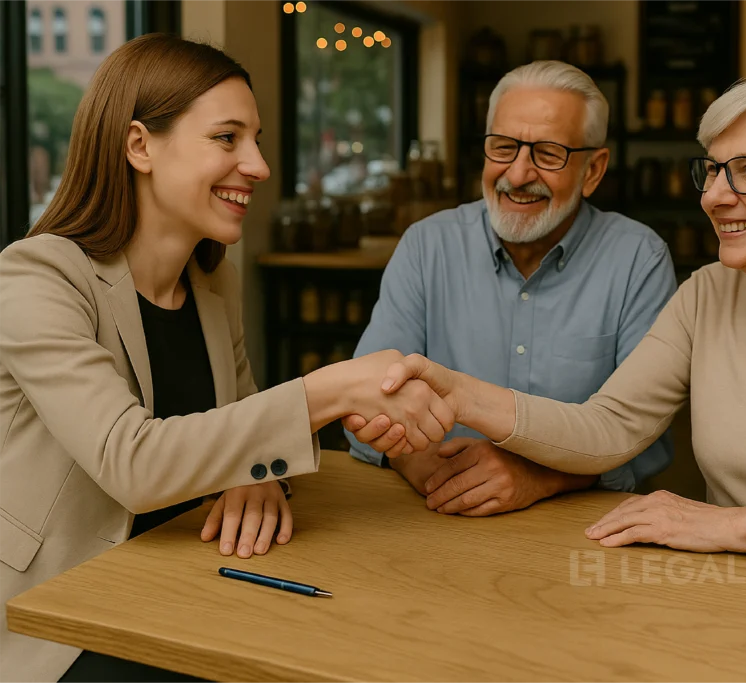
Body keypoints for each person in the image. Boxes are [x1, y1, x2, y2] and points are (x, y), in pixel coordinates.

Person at [352, 68, 746, 575]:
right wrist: (461, 394)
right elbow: (608, 428)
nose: (713, 196)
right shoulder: (708, 292)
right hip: (722, 587)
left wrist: (729, 525)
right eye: (712, 169)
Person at [0, 35, 450, 682]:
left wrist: (256, 476)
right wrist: (332, 389)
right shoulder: (37, 276)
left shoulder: (214, 283)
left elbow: (242, 425)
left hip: (184, 578)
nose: (259, 165)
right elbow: (133, 462)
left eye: (256, 140)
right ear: (139, 146)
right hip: (58, 615)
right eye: (227, 138)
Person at [343, 60, 675, 515]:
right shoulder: (427, 245)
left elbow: (646, 435)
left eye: (548, 154)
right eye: (503, 147)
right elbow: (363, 398)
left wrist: (543, 476)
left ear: (593, 170)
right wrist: (432, 471)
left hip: (578, 528)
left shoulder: (639, 259)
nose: (517, 176)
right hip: (431, 518)